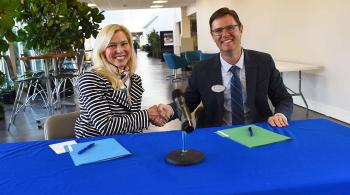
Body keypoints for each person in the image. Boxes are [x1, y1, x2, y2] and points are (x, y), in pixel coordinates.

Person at [159, 7, 293, 128]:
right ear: (213, 36)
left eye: (230, 28)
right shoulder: (202, 70)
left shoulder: (263, 62)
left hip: (258, 131)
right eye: (218, 30)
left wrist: (280, 115)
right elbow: (188, 101)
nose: (225, 34)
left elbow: (283, 98)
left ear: (240, 29)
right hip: (217, 134)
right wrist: (170, 109)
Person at [75, 24, 166, 138]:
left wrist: (153, 116)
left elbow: (133, 121)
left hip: (128, 141)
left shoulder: (134, 79)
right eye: (112, 45)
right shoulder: (90, 79)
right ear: (102, 50)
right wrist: (147, 116)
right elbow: (106, 126)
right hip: (96, 145)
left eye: (124, 44)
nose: (120, 50)